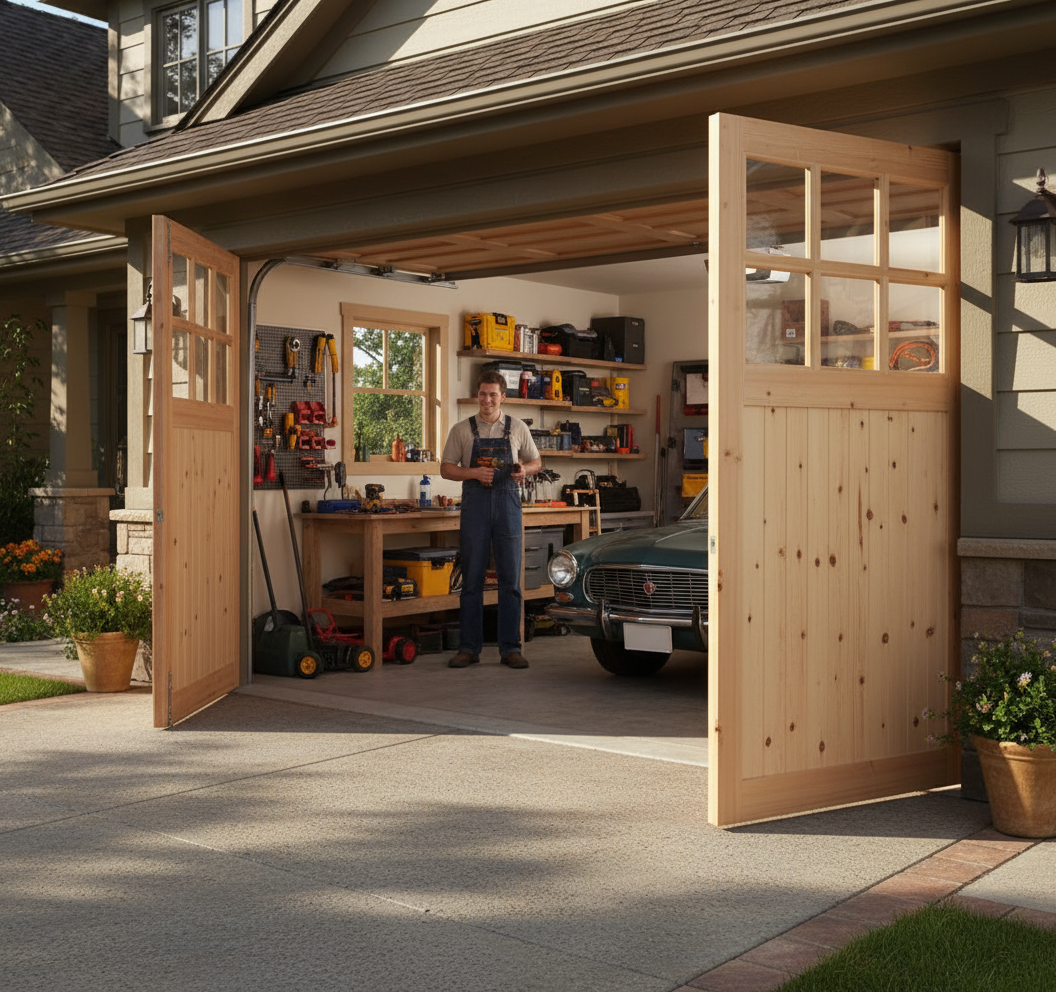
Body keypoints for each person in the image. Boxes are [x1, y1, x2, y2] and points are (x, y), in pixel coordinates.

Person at [440, 370, 541, 669]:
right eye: (482, 394)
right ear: (477, 396)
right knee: (472, 579)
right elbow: (446, 468)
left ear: (503, 397)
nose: (487, 400)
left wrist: (525, 469)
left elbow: (536, 461)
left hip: (508, 504)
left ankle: (511, 648)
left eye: (493, 395)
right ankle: (468, 648)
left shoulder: (518, 428)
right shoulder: (461, 430)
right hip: (476, 505)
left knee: (510, 579)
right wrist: (473, 473)